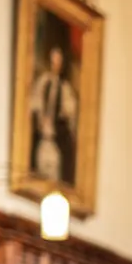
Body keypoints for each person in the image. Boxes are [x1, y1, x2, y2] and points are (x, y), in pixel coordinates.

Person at [29, 43, 79, 184]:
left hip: (56, 142)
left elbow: (70, 112)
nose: (55, 65)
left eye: (58, 62)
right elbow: (33, 104)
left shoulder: (65, 88)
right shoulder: (42, 83)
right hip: (42, 138)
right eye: (53, 61)